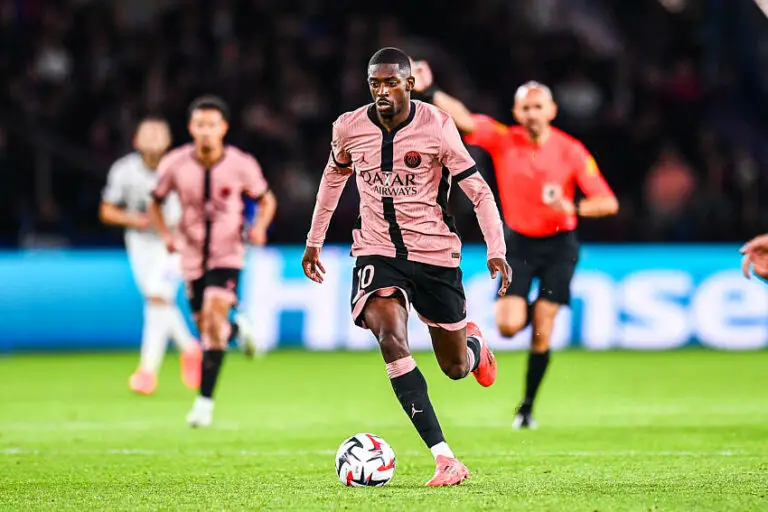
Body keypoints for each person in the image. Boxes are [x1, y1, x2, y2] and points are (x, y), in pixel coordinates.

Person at [302, 48, 511, 486]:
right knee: (390, 338)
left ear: (410, 85)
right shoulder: (348, 127)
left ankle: (474, 348)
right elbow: (332, 179)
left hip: (434, 255)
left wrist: (496, 247)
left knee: (454, 367)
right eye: (374, 83)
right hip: (376, 251)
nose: (382, 91)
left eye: (391, 82)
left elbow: (478, 190)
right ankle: (445, 458)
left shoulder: (438, 126)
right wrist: (314, 240)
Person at [412, 62, 619, 429]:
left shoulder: (571, 151)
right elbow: (465, 120)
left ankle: (526, 408)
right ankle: (527, 317)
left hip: (559, 244)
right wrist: (430, 92)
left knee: (543, 326)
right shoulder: (505, 140)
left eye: (538, 106)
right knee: (508, 326)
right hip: (520, 244)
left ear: (552, 110)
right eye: (526, 107)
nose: (532, 113)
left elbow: (608, 202)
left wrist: (571, 207)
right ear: (516, 112)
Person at [150, 96, 277, 427]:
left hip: (228, 252)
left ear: (223, 128)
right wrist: (166, 235)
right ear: (191, 128)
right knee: (209, 329)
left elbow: (266, 200)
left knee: (212, 316)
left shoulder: (241, 164)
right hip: (191, 255)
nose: (205, 131)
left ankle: (204, 403)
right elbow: (156, 201)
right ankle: (237, 329)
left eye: (211, 125)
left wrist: (259, 227)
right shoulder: (175, 163)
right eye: (200, 125)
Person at [100, 116, 202, 395]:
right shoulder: (124, 170)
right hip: (140, 242)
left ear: (168, 141)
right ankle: (189, 347)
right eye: (148, 134)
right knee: (157, 301)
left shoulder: (182, 168)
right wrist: (136, 220)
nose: (154, 140)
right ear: (136, 140)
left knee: (157, 296)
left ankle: (147, 372)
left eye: (159, 135)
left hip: (173, 242)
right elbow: (106, 210)